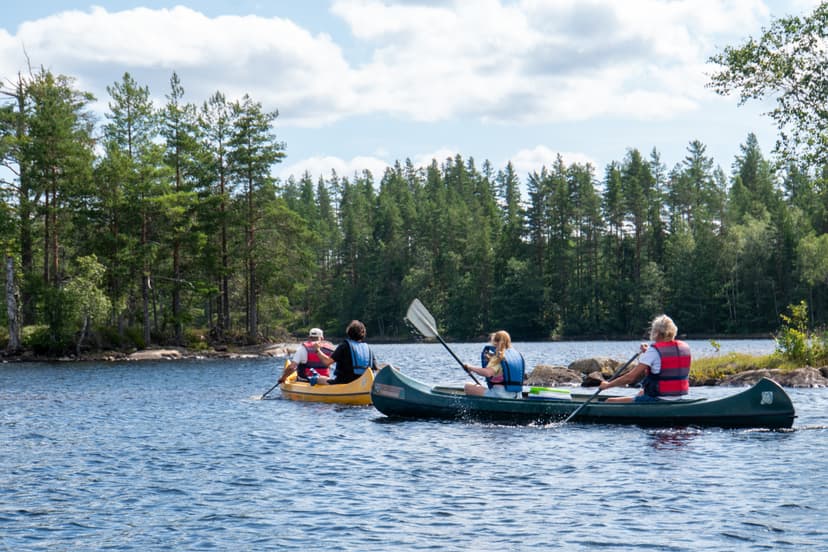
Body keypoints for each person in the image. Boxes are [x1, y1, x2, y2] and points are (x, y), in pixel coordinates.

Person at [599, 314, 691, 403]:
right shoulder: (684, 347)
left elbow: (630, 378)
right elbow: (664, 359)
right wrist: (647, 353)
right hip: (677, 396)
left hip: (658, 398)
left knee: (609, 401)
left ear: (656, 333)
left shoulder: (654, 351)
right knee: (641, 393)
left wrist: (608, 385)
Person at [462, 330, 525, 398]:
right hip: (517, 395)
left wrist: (470, 368)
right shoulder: (515, 356)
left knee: (467, 386)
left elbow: (487, 373)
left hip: (500, 394)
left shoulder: (499, 357)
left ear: (495, 342)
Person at [314, 320, 379, 385]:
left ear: (349, 332)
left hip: (344, 382)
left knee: (318, 379)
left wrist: (317, 350)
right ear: (363, 333)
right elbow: (376, 368)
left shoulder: (344, 346)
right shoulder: (368, 348)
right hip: (364, 383)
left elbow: (327, 362)